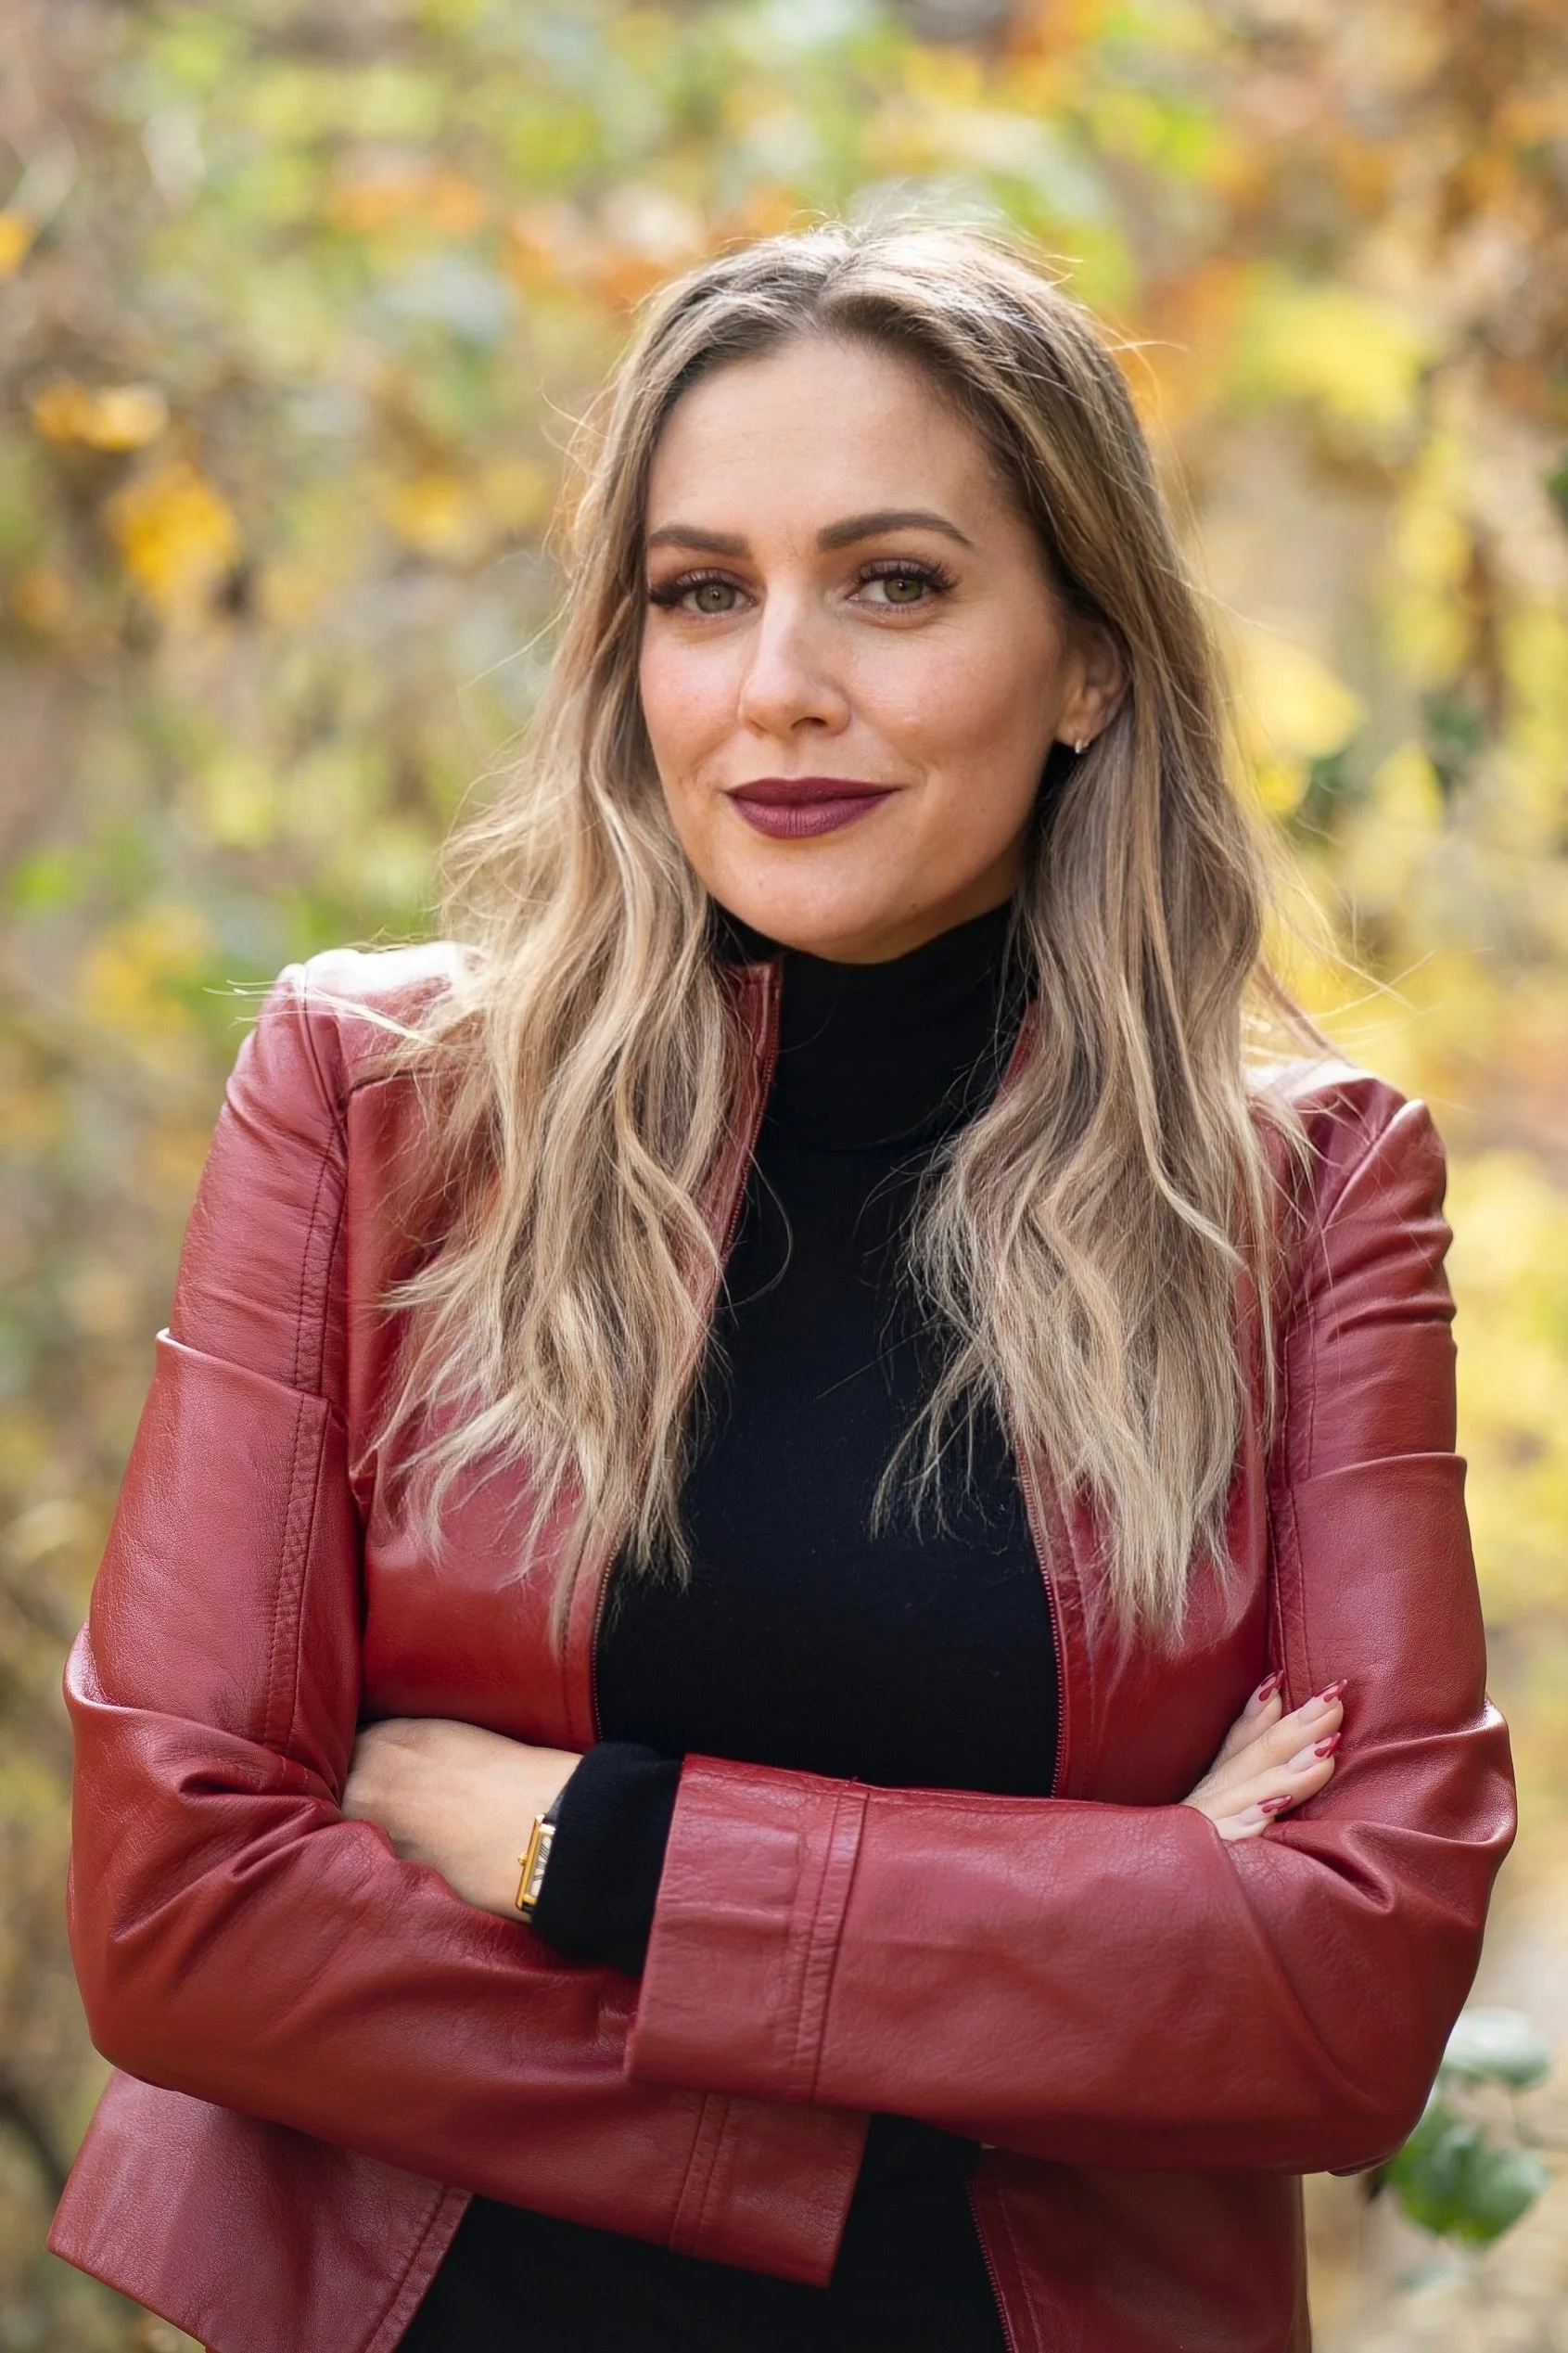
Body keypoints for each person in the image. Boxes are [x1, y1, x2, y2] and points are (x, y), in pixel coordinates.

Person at [50, 223, 1513, 2353]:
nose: (776, 685)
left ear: (1089, 660)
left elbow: (1332, 1999)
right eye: (700, 590)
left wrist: (581, 1837)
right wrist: (1045, 1978)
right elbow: (179, 1918)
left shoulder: (1300, 1202)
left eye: (893, 583)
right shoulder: (375, 1110)